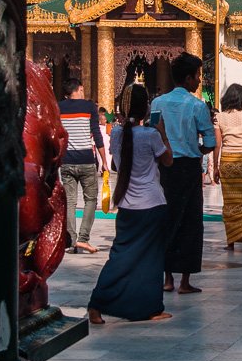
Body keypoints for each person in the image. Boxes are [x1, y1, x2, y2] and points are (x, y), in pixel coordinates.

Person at [87, 83, 173, 325]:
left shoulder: (116, 133)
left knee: (120, 256)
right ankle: (149, 307)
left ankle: (97, 303)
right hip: (152, 203)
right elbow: (168, 161)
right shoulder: (151, 135)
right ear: (146, 108)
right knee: (151, 259)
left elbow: (116, 165)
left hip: (126, 204)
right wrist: (163, 133)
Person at [157, 52, 216, 295]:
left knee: (167, 219)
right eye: (198, 76)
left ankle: (167, 278)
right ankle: (185, 281)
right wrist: (198, 150)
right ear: (188, 78)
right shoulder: (197, 105)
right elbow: (210, 141)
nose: (199, 81)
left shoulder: (157, 103)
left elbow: (153, 134)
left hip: (165, 168)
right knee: (190, 222)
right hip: (189, 166)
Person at [58, 77, 109, 254]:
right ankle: (83, 239)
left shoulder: (59, 107)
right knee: (90, 200)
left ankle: (71, 241)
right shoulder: (89, 107)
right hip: (87, 160)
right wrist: (104, 162)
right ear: (79, 89)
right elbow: (97, 135)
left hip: (67, 162)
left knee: (70, 202)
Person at [214, 83, 242, 253]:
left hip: (228, 161)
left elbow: (217, 143)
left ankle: (231, 240)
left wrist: (216, 166)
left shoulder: (219, 117)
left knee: (230, 201)